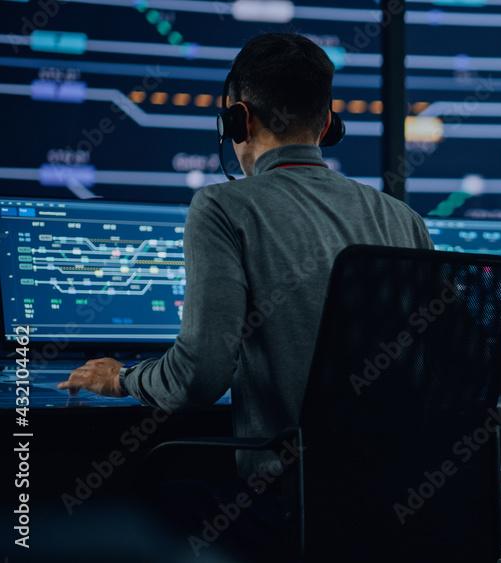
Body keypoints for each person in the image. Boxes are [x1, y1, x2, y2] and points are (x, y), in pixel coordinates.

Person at [56, 32, 433, 558]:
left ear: (238, 119)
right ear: (327, 124)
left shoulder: (223, 207)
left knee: (138, 501)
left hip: (296, 506)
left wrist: (122, 378)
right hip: (409, 509)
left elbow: (201, 376)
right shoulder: (405, 220)